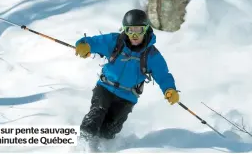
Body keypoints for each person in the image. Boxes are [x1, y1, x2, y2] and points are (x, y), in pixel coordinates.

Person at [75, 9, 179, 142]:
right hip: (105, 87)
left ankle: (100, 149)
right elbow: (92, 42)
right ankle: (81, 145)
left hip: (127, 97)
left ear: (146, 29)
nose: (134, 35)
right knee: (96, 115)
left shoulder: (151, 55)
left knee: (108, 132)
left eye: (139, 30)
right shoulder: (115, 42)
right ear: (125, 30)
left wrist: (169, 89)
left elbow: (163, 75)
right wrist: (84, 46)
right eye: (130, 30)